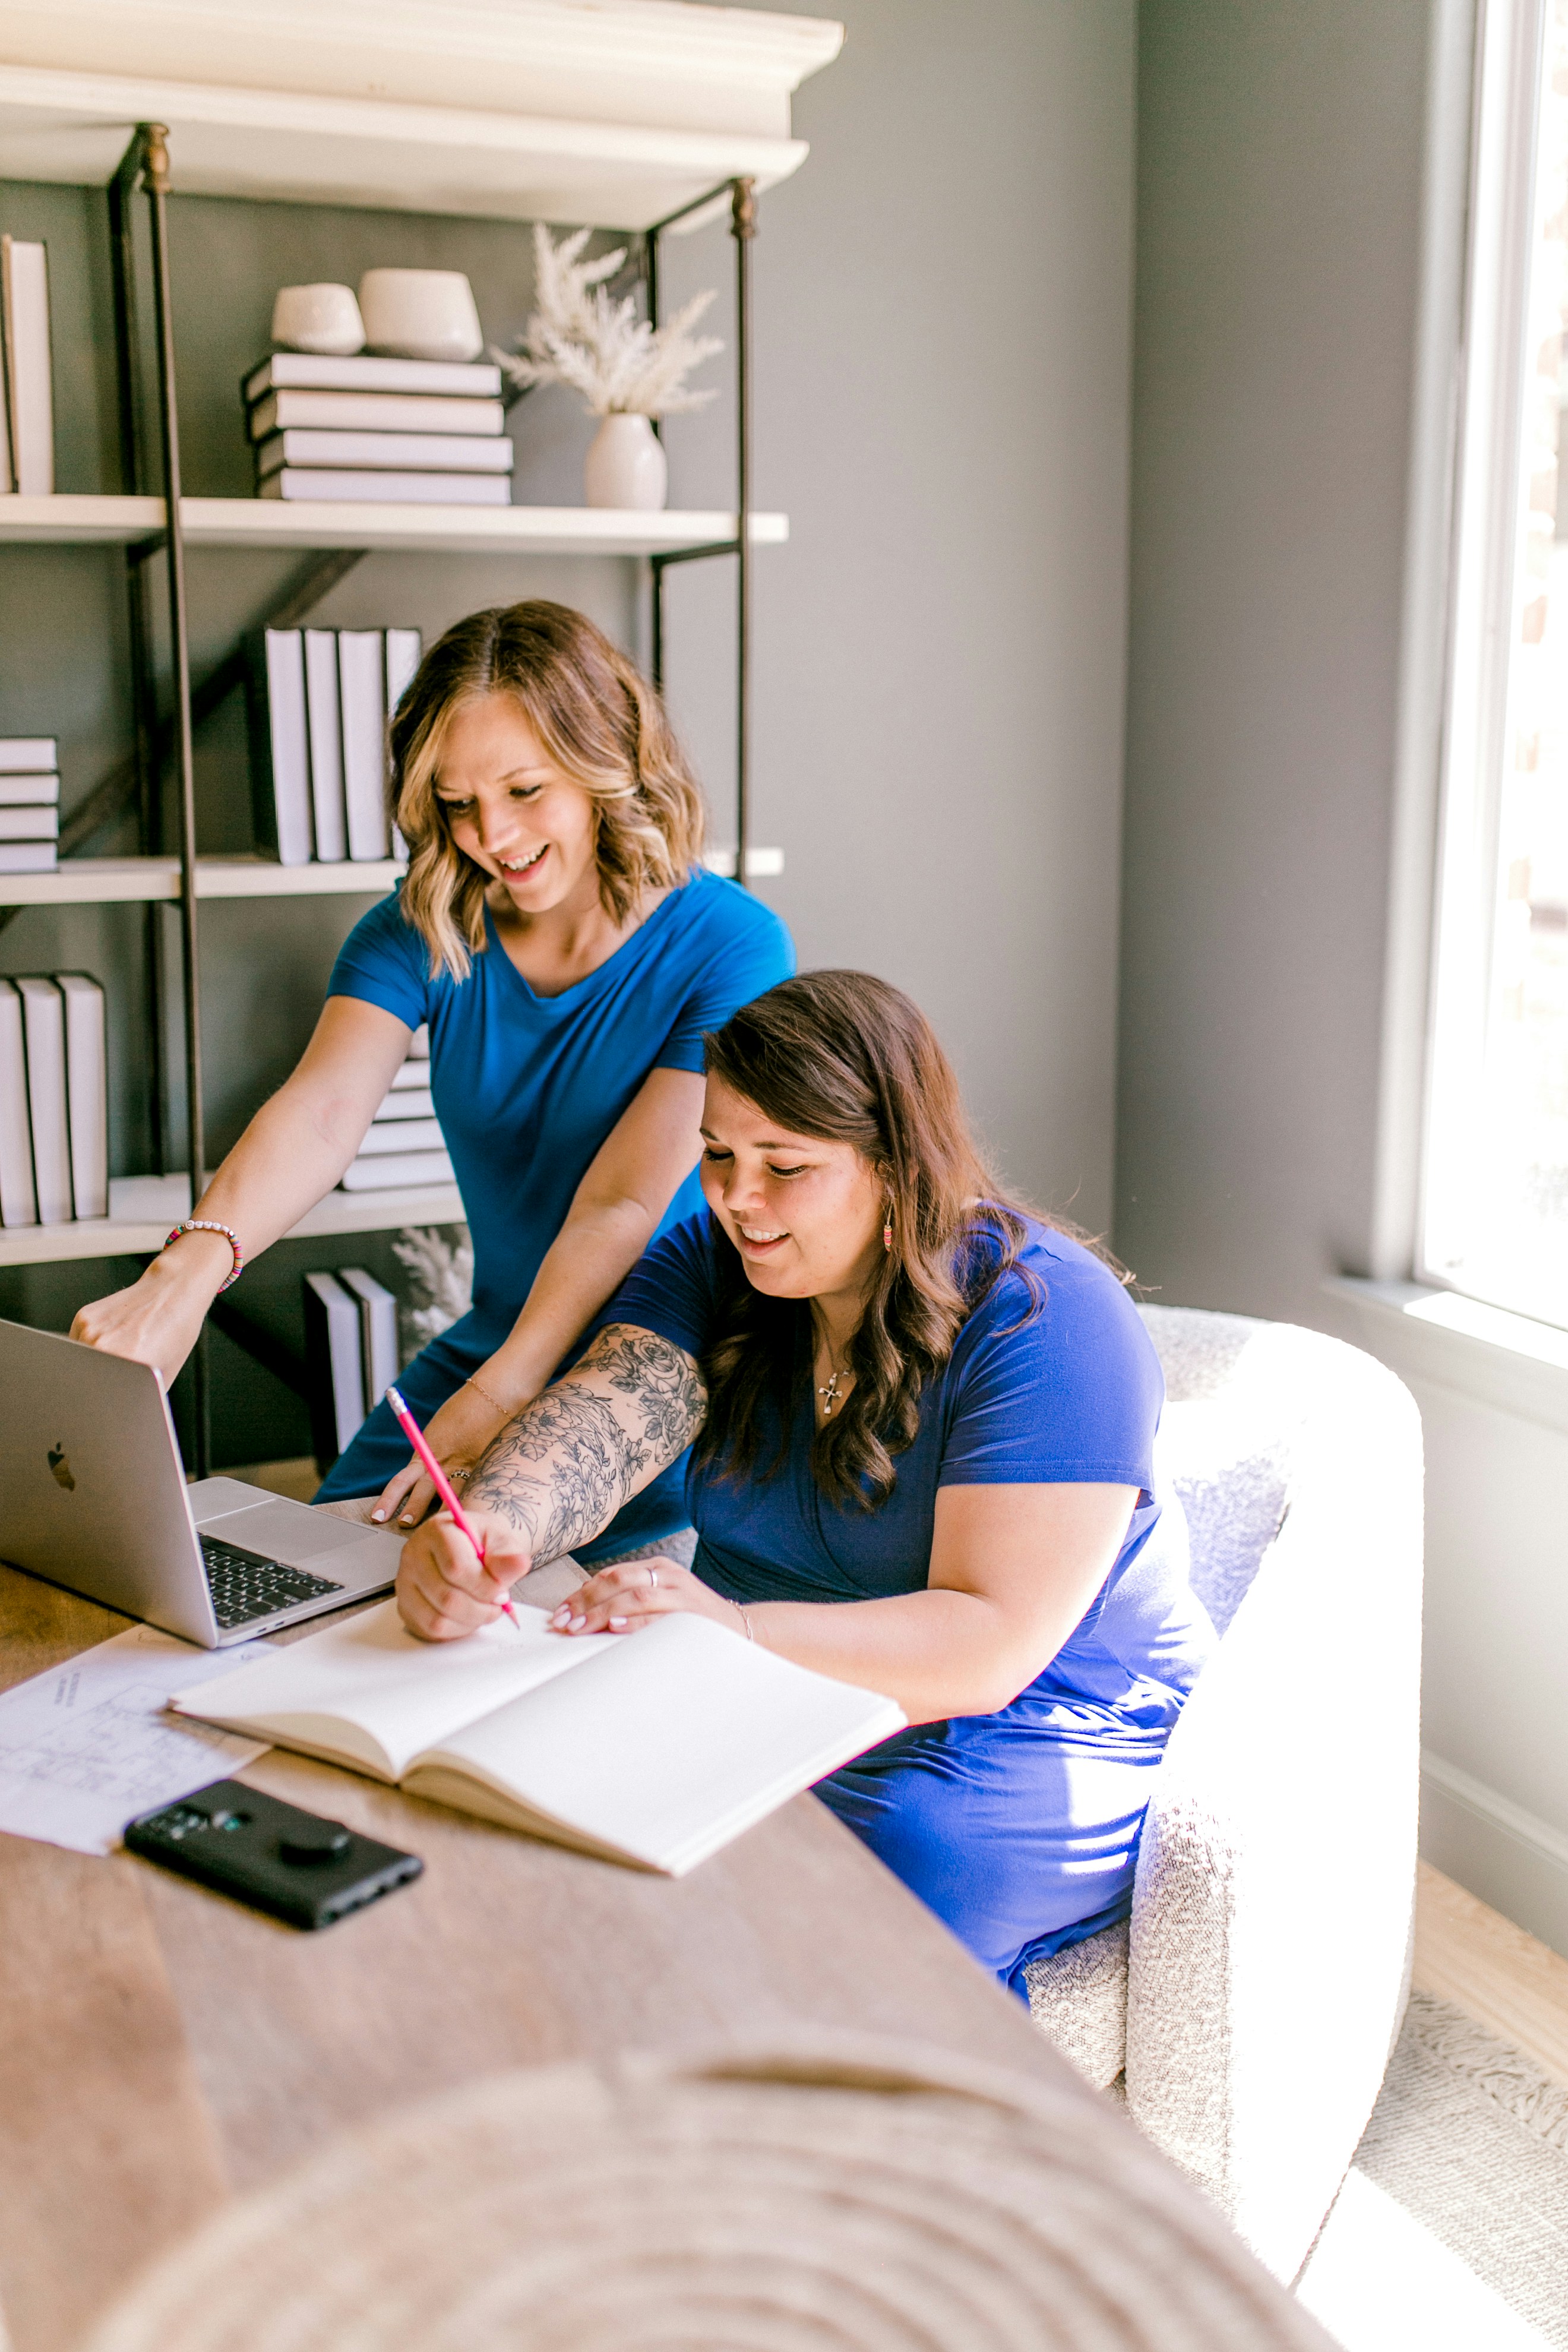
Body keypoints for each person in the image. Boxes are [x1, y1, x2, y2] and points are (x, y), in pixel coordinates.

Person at [396, 970, 1214, 1992]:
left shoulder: (1049, 1321)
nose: (738, 1198)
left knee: (894, 1856)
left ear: (897, 1166)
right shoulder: (717, 1262)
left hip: (1031, 1715)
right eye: (719, 1156)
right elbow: (606, 1412)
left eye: (785, 1165)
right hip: (770, 1678)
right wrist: (490, 1531)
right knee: (544, 1798)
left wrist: (730, 1634)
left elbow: (989, 1646)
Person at [71, 600, 792, 1564]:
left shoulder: (729, 944)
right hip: (496, 1340)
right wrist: (183, 1277)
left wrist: (502, 1399)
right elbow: (319, 1113)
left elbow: (623, 1201)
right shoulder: (417, 929)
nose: (492, 834)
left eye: (526, 789)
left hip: (647, 1368)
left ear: (603, 760)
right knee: (290, 1578)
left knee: (457, 1609)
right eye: (458, 803)